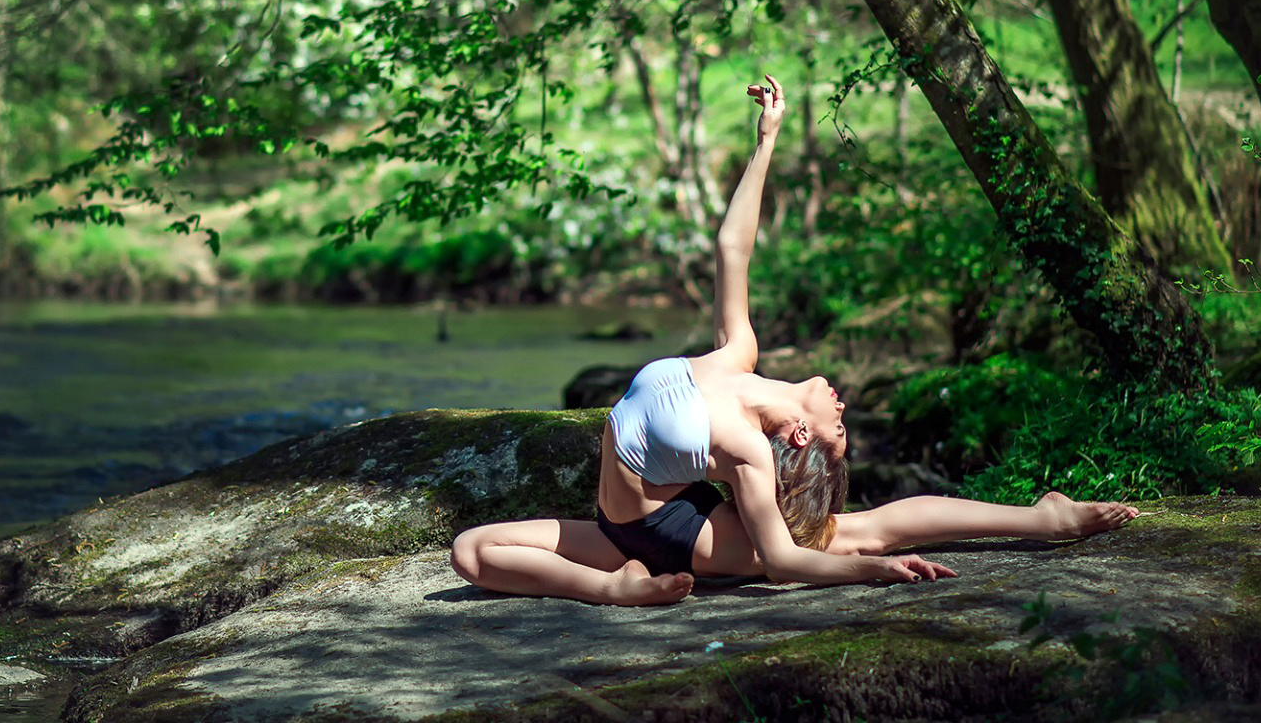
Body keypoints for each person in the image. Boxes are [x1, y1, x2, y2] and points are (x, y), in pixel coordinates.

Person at [449, 75, 1139, 605]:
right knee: (469, 550)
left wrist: (870, 576)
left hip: (674, 534)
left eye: (836, 428)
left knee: (862, 533)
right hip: (637, 516)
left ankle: (1043, 520)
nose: (841, 407)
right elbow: (732, 247)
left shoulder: (747, 448)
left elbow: (781, 564)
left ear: (801, 437)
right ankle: (610, 586)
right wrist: (767, 141)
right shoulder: (738, 352)